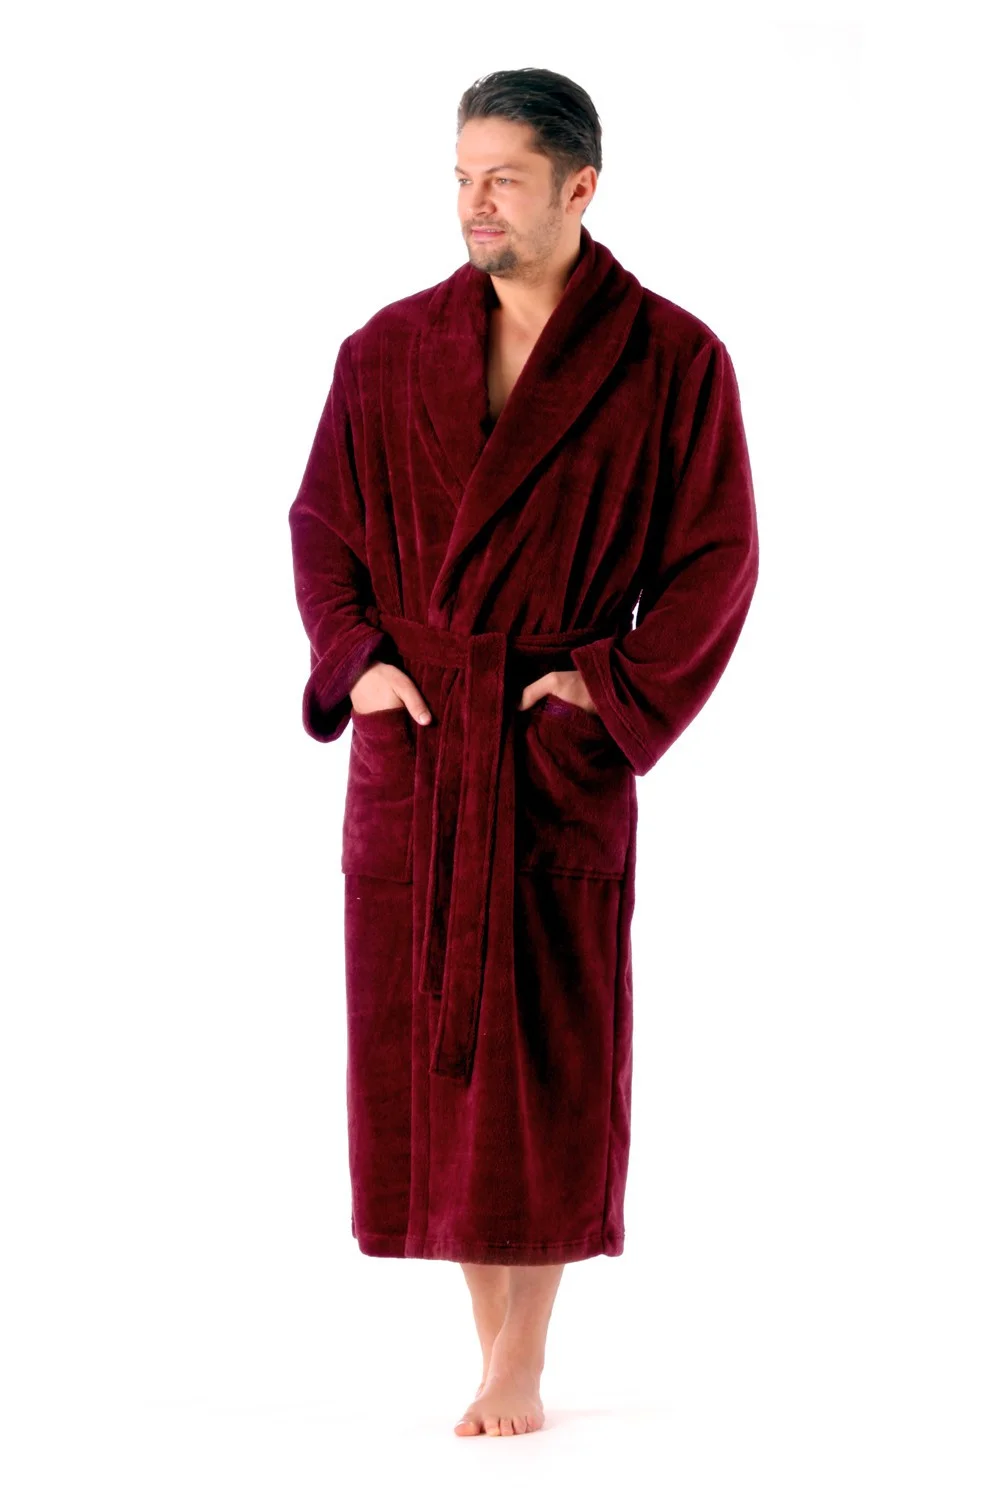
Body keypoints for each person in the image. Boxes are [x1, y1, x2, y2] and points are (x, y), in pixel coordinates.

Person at [287, 66, 759, 1438]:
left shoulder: (671, 360)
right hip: (423, 747)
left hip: (549, 753)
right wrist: (358, 662)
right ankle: (489, 1344)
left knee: (543, 1056)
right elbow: (322, 528)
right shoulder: (385, 351)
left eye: (502, 177)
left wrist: (600, 694)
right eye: (460, 175)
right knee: (433, 1059)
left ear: (579, 187)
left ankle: (522, 1360)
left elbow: (717, 560)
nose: (474, 202)